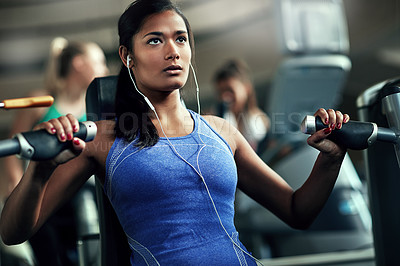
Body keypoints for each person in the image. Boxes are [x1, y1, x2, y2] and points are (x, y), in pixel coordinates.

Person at [0, 0, 350, 265]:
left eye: (180, 39)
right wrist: (39, 171)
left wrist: (330, 160)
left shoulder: (221, 132)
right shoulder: (104, 139)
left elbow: (297, 211)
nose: (173, 52)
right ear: (128, 56)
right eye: (155, 41)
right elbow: (13, 232)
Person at [1, 37, 108, 265]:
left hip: (81, 196)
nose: (104, 68)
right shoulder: (42, 100)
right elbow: (13, 146)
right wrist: (15, 183)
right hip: (42, 195)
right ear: (79, 63)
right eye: (98, 61)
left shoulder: (96, 108)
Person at [213, 59, 270, 152]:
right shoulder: (216, 120)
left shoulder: (262, 121)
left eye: (230, 90)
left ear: (247, 88)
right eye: (220, 92)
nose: (225, 97)